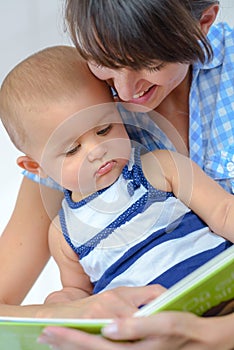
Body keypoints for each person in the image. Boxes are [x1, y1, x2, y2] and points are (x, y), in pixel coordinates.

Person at [0, 0, 233, 349]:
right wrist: (73, 312)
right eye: (105, 63)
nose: (123, 95)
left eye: (150, 63)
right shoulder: (73, 114)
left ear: (204, 22)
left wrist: (212, 336)